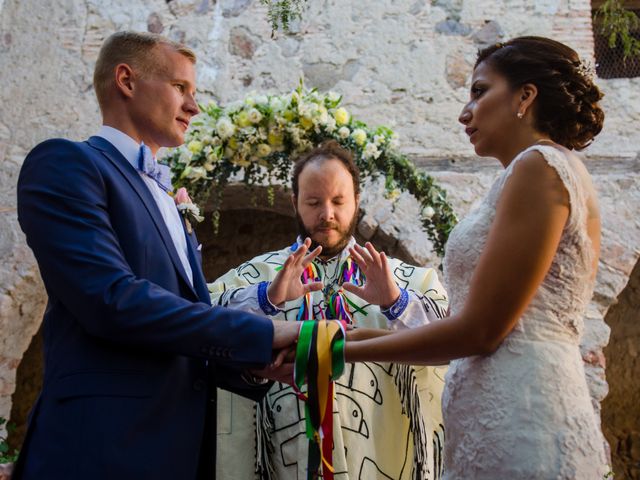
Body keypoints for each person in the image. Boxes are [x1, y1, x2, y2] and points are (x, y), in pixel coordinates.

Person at [14, 31, 297, 480]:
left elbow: (184, 327)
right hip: (100, 451)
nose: (195, 107)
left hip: (178, 454)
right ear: (126, 80)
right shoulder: (67, 165)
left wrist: (251, 364)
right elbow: (112, 300)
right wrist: (264, 331)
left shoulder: (169, 196)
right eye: (181, 88)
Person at [343, 36, 608, 478]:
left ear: (525, 96)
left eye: (480, 91)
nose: (465, 112)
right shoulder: (522, 176)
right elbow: (465, 334)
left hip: (524, 418)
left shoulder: (538, 167)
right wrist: (332, 338)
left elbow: (480, 333)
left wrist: (337, 352)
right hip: (495, 416)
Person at [209, 140, 449, 480]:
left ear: (357, 202)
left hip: (379, 456)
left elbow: (451, 343)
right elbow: (202, 324)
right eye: (313, 202)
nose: (327, 215)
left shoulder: (406, 280)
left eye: (338, 201)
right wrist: (267, 299)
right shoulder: (260, 276)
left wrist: (396, 302)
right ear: (294, 203)